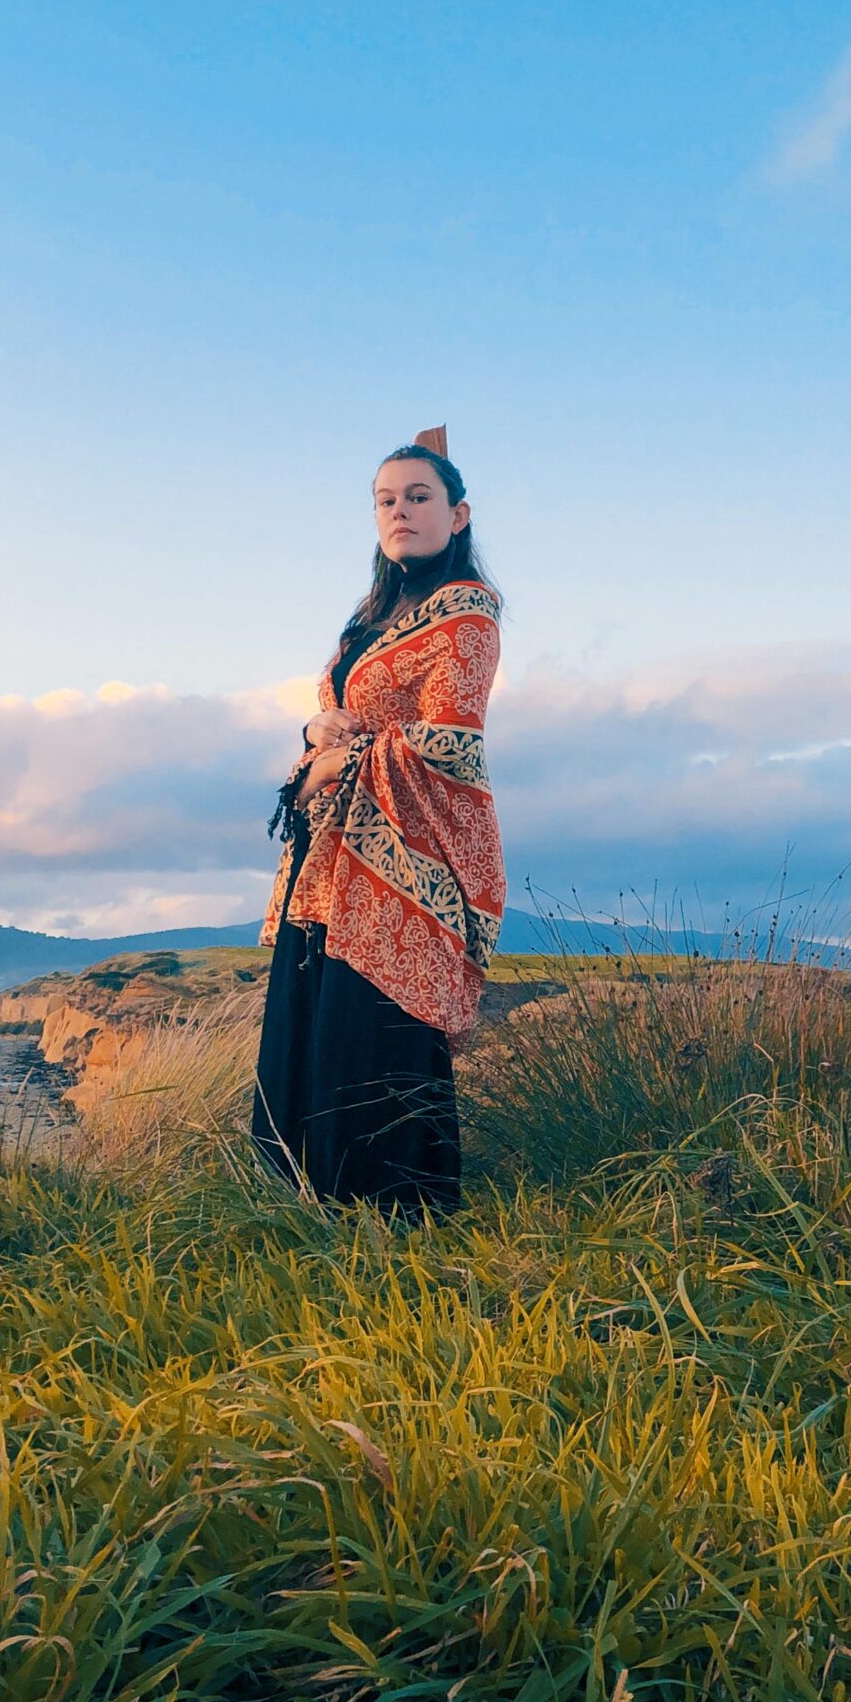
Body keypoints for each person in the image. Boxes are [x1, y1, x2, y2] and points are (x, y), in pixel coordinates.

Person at [252, 428, 505, 1213]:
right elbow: (334, 715)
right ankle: (306, 1213)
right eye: (386, 500)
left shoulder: (466, 617)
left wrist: (337, 760)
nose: (400, 511)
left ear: (458, 515)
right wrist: (312, 739)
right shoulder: (373, 616)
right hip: (329, 865)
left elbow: (452, 743)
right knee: (314, 1035)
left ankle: (395, 1218)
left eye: (419, 497)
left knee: (371, 1036)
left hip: (402, 864)